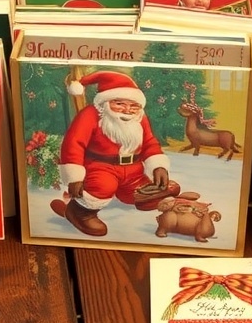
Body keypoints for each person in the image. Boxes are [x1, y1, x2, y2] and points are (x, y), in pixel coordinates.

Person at [50, 71, 174, 238]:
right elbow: (74, 144)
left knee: (151, 188)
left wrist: (158, 166)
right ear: (106, 102)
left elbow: (149, 142)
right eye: (120, 103)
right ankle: (80, 212)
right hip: (100, 167)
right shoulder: (91, 115)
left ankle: (136, 197)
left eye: (134, 105)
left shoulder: (139, 118)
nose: (127, 110)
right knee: (103, 185)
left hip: (133, 170)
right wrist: (75, 177)